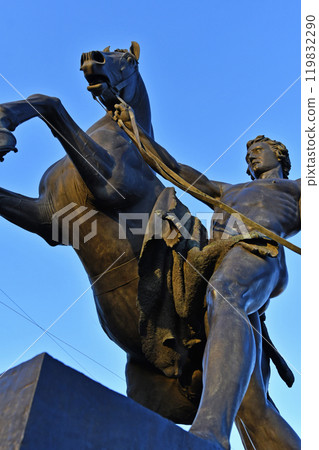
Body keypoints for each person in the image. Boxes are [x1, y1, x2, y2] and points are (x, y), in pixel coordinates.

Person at [113, 105, 301, 449]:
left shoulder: (295, 189)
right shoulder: (226, 192)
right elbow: (174, 169)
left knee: (225, 292)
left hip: (259, 252)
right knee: (251, 404)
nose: (251, 158)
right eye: (248, 155)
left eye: (258, 151)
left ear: (279, 155)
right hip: (221, 261)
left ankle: (212, 431)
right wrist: (131, 125)